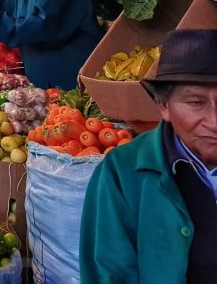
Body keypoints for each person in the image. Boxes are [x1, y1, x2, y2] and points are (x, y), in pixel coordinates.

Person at [80, 29, 217, 283]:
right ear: (164, 106)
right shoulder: (122, 173)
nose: (214, 121)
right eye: (196, 103)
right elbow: (108, 273)